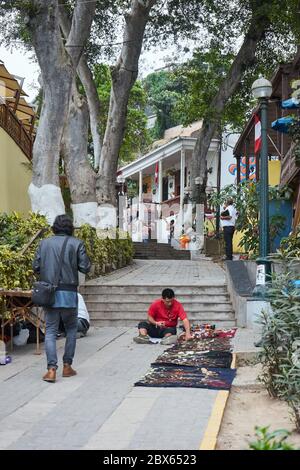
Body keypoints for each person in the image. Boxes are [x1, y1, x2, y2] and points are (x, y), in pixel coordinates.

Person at [33, 214, 91, 383]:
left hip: (49, 295)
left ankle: (51, 370)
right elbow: (85, 267)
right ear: (70, 227)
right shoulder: (77, 243)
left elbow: (35, 266)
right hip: (69, 294)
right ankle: (67, 366)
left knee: (50, 331)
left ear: (54, 227)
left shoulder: (44, 243)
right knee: (71, 329)